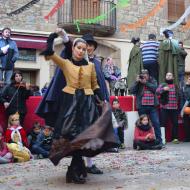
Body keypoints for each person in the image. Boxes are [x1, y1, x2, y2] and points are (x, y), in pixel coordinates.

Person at [40, 33, 117, 184]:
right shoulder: (66, 63)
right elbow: (50, 54)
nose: (82, 51)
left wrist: (102, 100)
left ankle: (76, 168)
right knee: (71, 135)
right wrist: (52, 38)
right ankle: (76, 167)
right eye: (79, 48)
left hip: (87, 104)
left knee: (85, 135)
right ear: (73, 49)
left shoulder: (91, 66)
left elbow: (95, 85)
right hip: (70, 104)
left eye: (84, 48)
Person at [130, 69, 162, 145]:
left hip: (152, 107)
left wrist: (146, 83)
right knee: (141, 124)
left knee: (156, 123)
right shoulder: (138, 83)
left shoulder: (152, 80)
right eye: (142, 74)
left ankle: (159, 141)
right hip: (142, 107)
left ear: (148, 75)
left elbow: (156, 89)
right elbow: (131, 90)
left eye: (145, 74)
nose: (144, 76)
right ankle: (142, 141)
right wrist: (136, 82)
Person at [156, 72, 179, 143]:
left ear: (173, 78)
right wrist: (163, 89)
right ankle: (163, 138)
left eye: (170, 75)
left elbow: (179, 95)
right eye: (167, 75)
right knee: (163, 123)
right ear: (165, 77)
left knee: (175, 123)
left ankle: (175, 138)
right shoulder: (162, 85)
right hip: (164, 107)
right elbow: (157, 92)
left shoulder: (176, 86)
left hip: (174, 108)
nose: (168, 76)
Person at [181, 77, 190, 142]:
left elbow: (188, 99)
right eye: (189, 79)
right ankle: (188, 137)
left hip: (187, 106)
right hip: (186, 108)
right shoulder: (184, 88)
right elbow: (182, 99)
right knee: (186, 123)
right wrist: (182, 109)